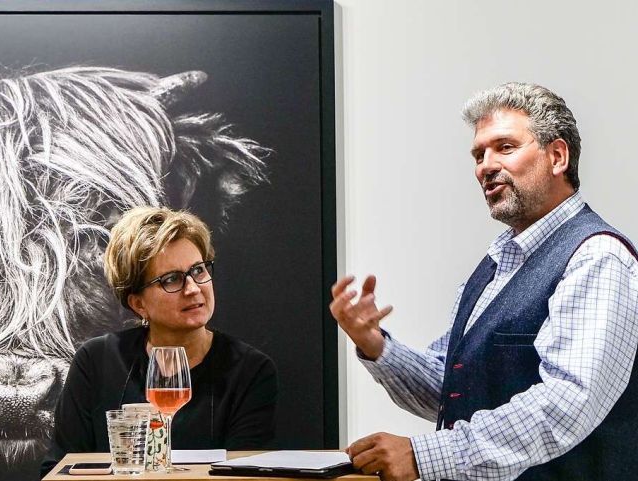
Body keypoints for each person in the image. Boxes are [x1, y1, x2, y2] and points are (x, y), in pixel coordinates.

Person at [330, 83, 638, 481]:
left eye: (505, 147)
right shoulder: (495, 265)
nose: (485, 166)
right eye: (479, 154)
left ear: (558, 156)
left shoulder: (597, 257)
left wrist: (423, 455)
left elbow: (565, 404)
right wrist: (375, 345)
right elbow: (455, 393)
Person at [41, 206, 277, 477]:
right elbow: (59, 469)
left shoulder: (251, 369)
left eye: (198, 270)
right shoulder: (97, 361)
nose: (193, 288)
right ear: (138, 303)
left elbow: (245, 476)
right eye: (172, 279)